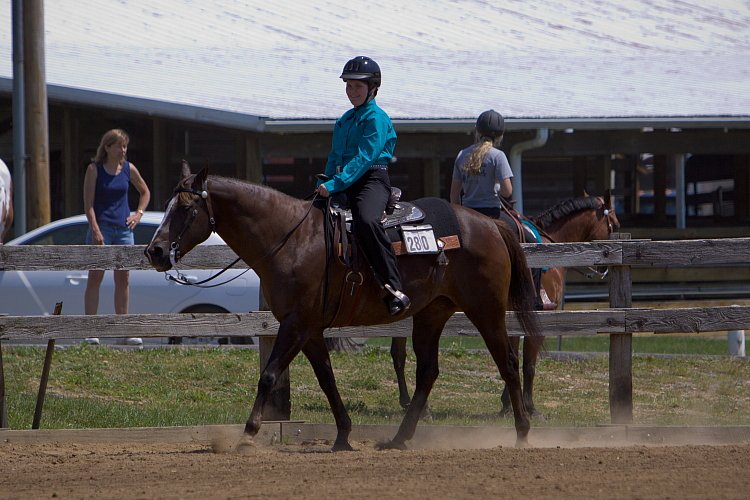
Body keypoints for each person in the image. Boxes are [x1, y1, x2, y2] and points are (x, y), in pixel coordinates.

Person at [315, 56, 410, 316]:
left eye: (358, 86)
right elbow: (335, 156)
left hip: (371, 180)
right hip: (341, 180)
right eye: (348, 86)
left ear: (372, 88)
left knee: (367, 220)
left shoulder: (377, 119)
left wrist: (336, 183)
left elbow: (364, 158)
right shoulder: (344, 120)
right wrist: (323, 182)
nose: (352, 92)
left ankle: (393, 286)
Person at [450, 109, 554, 310]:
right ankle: (534, 296)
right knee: (533, 238)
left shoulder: (462, 155)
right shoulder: (498, 156)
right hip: (493, 215)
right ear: (500, 135)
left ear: (477, 131)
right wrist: (496, 186)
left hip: (467, 215)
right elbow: (507, 191)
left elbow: (454, 195)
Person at [83, 129, 150, 345]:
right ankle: (90, 331)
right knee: (95, 277)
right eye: (119, 146)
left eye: (125, 146)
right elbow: (88, 204)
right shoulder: (94, 170)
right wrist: (95, 229)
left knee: (123, 279)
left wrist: (138, 214)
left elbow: (145, 192)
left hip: (124, 230)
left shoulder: (128, 169)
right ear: (108, 147)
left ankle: (124, 330)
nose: (123, 150)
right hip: (101, 227)